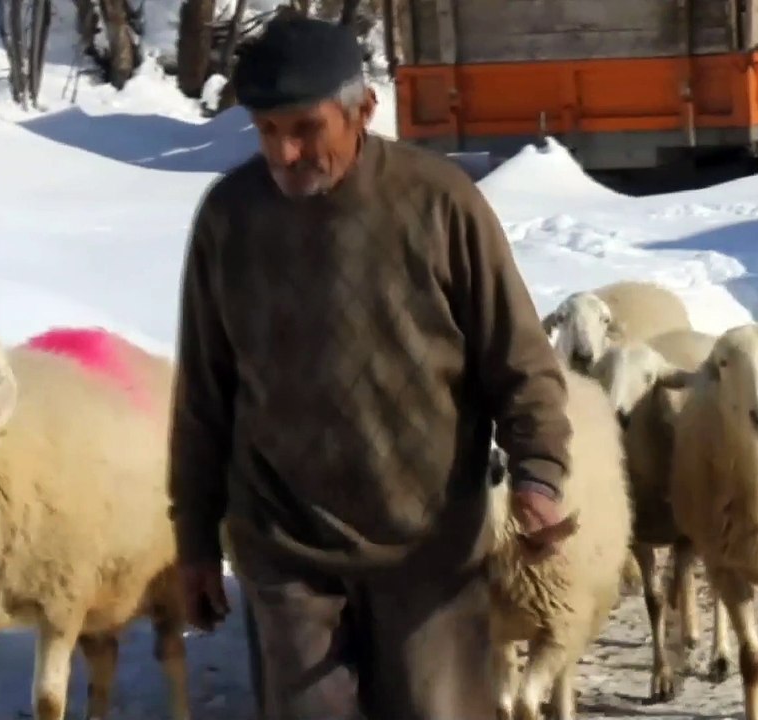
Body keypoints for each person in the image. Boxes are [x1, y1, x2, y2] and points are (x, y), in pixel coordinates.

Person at [165, 13, 577, 720]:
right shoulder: (230, 221)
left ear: (364, 111)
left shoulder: (439, 204)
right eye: (267, 131)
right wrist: (196, 538)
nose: (284, 153)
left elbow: (518, 359)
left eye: (305, 130)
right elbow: (205, 393)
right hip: (285, 544)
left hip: (428, 546)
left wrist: (538, 474)